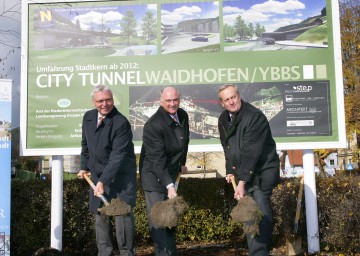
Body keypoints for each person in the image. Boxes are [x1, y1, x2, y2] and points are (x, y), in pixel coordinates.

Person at [217, 84, 280, 256]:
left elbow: (252, 152)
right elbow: (227, 147)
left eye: (233, 97)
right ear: (222, 103)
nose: (231, 101)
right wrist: (230, 170)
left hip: (262, 172)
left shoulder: (254, 117)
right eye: (227, 99)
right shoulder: (223, 118)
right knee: (248, 213)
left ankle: (259, 253)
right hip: (244, 172)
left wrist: (242, 181)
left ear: (238, 95)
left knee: (258, 213)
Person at [77, 85, 137, 256]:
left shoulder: (121, 122)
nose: (105, 104)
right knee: (101, 221)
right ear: (93, 101)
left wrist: (102, 181)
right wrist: (84, 166)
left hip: (120, 180)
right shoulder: (88, 117)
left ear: (113, 99)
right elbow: (85, 146)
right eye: (100, 101)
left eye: (108, 99)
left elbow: (117, 156)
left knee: (122, 225)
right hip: (97, 178)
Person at [139, 86, 190, 256]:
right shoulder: (153, 125)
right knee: (160, 220)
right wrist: (169, 185)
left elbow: (184, 141)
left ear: (179, 99)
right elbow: (157, 160)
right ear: (161, 101)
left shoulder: (183, 115)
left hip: (171, 174)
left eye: (175, 99)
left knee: (171, 219)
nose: (172, 103)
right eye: (168, 100)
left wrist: (182, 163)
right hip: (154, 177)